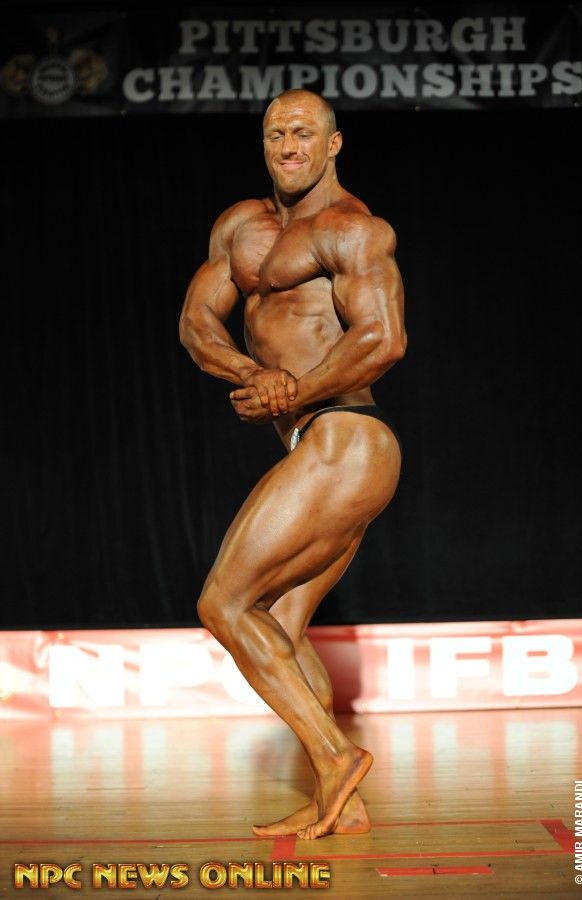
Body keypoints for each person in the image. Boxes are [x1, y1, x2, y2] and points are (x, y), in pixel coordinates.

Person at [179, 89, 407, 840]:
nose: (288, 146)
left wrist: (295, 390)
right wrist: (255, 375)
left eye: (304, 133)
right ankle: (345, 801)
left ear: (333, 144)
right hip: (320, 441)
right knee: (278, 620)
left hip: (348, 437)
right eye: (276, 132)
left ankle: (337, 758)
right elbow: (195, 323)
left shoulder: (352, 230)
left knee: (223, 603)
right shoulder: (239, 227)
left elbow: (384, 338)